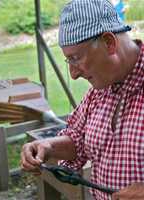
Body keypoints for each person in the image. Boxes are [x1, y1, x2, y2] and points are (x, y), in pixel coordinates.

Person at [21, 0, 144, 199]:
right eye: (68, 60)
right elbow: (78, 139)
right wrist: (48, 146)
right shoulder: (99, 91)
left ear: (109, 42)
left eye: (76, 58)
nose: (73, 74)